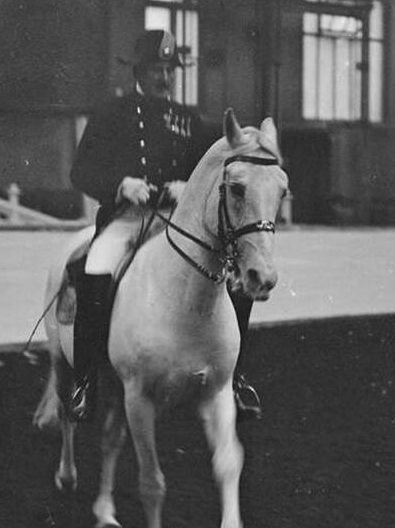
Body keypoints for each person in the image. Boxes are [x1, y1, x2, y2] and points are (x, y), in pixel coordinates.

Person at [66, 28, 263, 423]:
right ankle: (84, 378)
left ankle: (235, 376)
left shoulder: (190, 121)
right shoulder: (112, 113)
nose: (165, 77)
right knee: (96, 270)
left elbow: (213, 172)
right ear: (139, 70)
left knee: (232, 277)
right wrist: (121, 185)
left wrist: (188, 185)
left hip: (178, 222)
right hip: (128, 219)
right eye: (157, 68)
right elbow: (80, 171)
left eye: (170, 69)